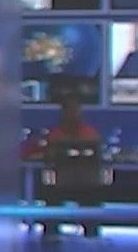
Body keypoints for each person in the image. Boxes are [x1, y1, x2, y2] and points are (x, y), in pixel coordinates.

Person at [38, 93, 102, 239]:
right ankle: (50, 236)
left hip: (86, 184)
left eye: (75, 110)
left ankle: (91, 235)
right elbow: (47, 157)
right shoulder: (55, 135)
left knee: (92, 198)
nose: (73, 114)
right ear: (63, 113)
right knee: (50, 197)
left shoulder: (90, 134)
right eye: (69, 110)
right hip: (61, 183)